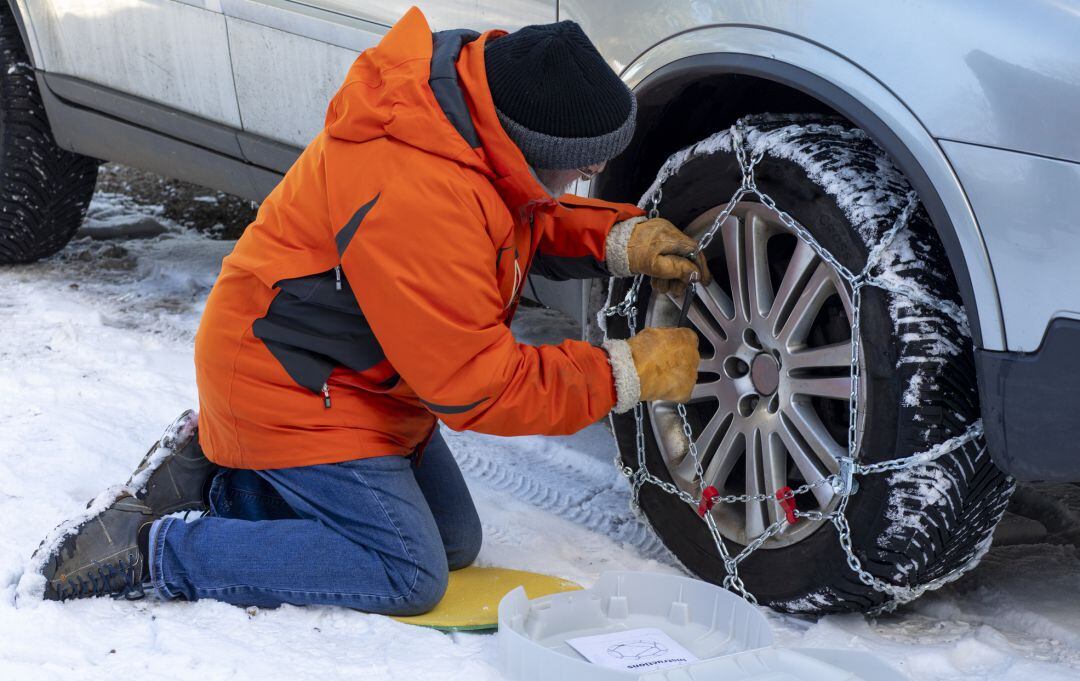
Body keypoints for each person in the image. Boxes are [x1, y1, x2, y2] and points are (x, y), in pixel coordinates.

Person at [37, 8, 709, 612]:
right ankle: (155, 549)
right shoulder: (419, 194)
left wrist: (617, 239)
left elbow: (517, 210)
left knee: (455, 540)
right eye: (580, 166)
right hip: (289, 385)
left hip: (360, 379)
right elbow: (479, 386)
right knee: (408, 571)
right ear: (529, 146)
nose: (586, 178)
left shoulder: (466, 118)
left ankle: (224, 481)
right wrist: (626, 372)